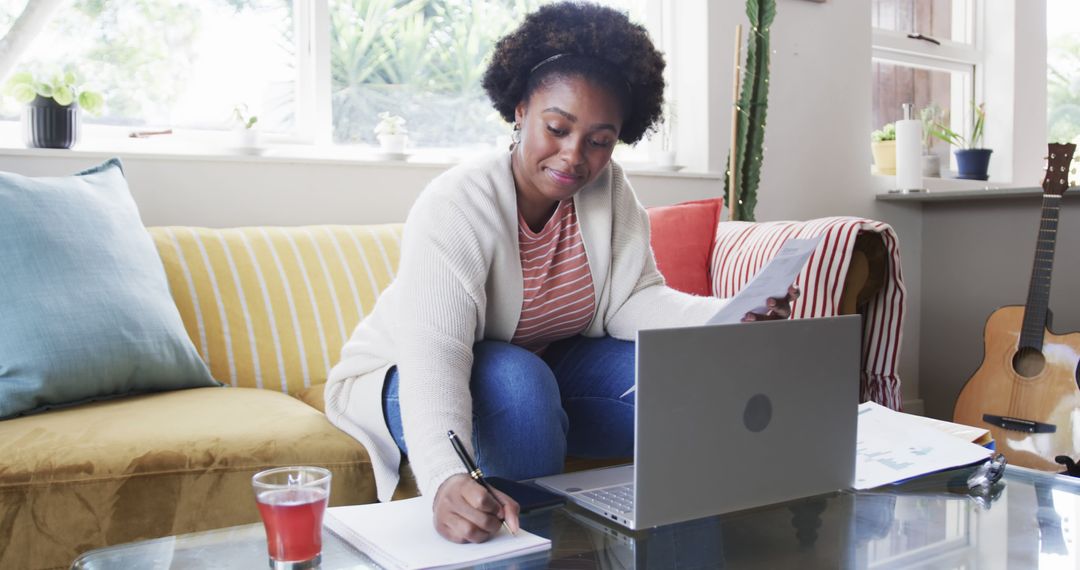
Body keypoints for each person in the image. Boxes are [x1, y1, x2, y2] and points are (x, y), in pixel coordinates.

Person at [324, 1, 797, 544]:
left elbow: (635, 300)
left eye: (600, 140)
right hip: (404, 373)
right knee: (517, 381)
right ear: (520, 109)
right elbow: (435, 354)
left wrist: (730, 316)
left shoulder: (610, 190)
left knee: (680, 381)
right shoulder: (457, 203)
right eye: (557, 127)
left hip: (546, 367)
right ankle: (527, 553)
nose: (575, 156)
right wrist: (444, 477)